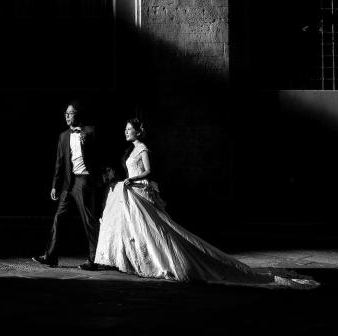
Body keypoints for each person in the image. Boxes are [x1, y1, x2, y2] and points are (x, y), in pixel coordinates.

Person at [94, 119, 317, 288]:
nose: (125, 131)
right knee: (136, 228)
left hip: (139, 188)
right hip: (132, 190)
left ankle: (163, 260)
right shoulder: (130, 150)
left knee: (156, 228)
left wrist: (131, 179)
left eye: (128, 128)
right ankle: (135, 260)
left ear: (138, 131)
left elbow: (148, 170)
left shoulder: (141, 148)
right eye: (125, 129)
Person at [33, 101, 112, 270]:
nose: (67, 116)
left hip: (84, 181)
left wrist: (101, 178)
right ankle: (50, 256)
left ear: (78, 114)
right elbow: (59, 163)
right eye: (65, 113)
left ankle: (94, 259)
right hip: (68, 183)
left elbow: (101, 155)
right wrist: (55, 185)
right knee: (58, 218)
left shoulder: (91, 132)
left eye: (70, 113)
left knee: (88, 221)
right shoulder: (63, 136)